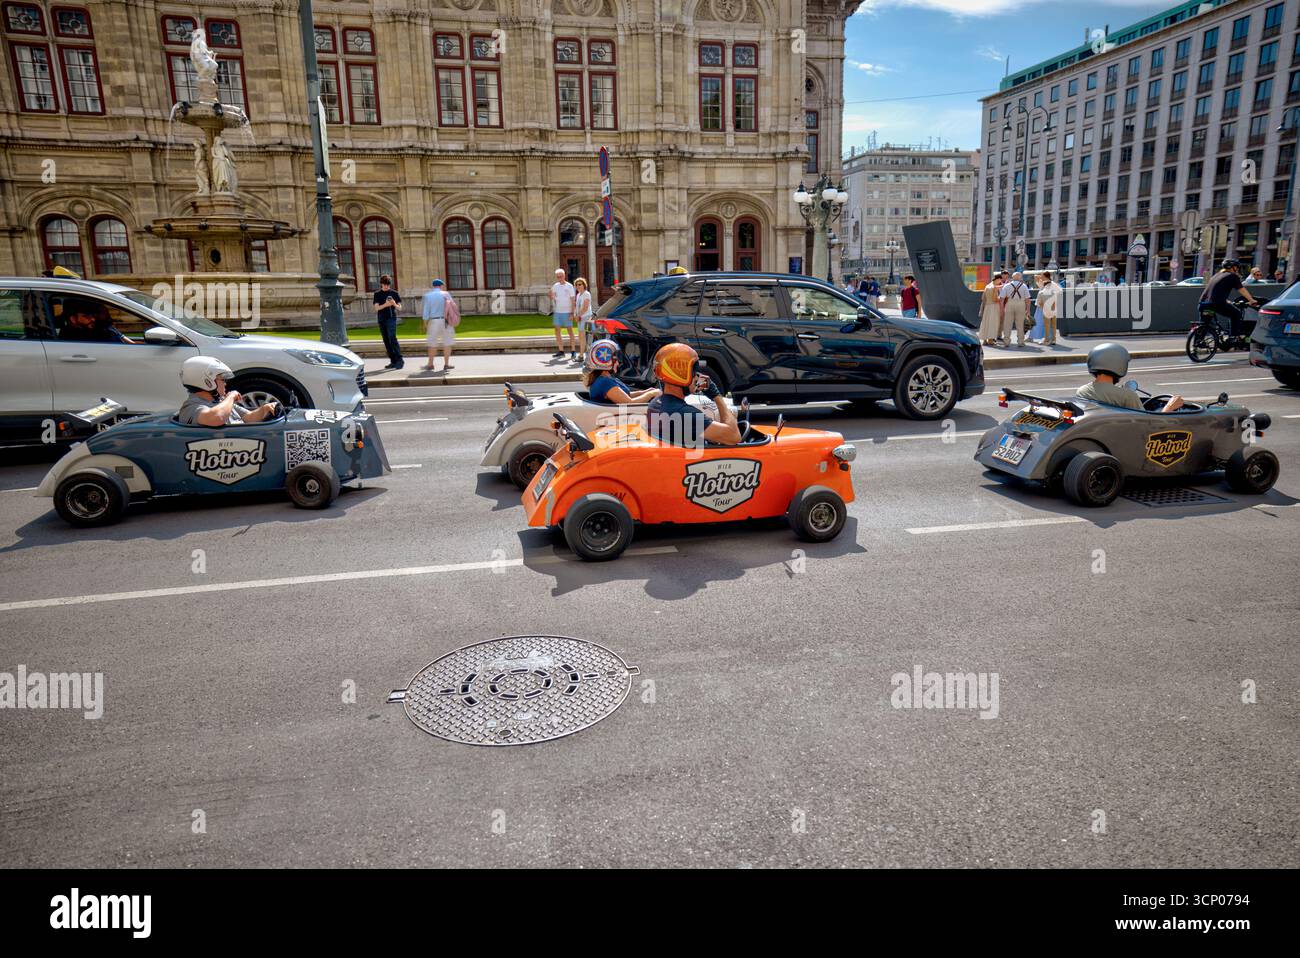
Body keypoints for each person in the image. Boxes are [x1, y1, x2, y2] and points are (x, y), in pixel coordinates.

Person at [646, 343, 741, 447]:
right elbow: (733, 436)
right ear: (680, 375)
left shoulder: (655, 404)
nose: (698, 377)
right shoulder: (684, 413)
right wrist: (717, 396)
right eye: (694, 373)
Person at [1076, 342, 1182, 413]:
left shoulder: (1082, 391)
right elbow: (1149, 425)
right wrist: (1170, 407)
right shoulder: (1127, 396)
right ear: (1118, 365)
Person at [176, 356, 278, 426]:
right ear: (207, 381)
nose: (225, 383)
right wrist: (230, 397)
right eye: (222, 379)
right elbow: (217, 418)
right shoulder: (191, 407)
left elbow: (249, 417)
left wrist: (265, 409)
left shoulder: (221, 402)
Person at [583, 339, 660, 404]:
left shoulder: (605, 378)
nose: (618, 362)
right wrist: (651, 394)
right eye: (615, 359)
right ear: (605, 362)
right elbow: (628, 403)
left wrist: (646, 391)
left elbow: (627, 394)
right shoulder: (604, 382)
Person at [1200, 259, 1260, 339]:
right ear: (1233, 267)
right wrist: (1251, 300)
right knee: (1236, 314)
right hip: (1217, 303)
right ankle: (1233, 337)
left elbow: (1214, 291)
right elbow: (1241, 289)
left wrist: (1225, 300)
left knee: (1204, 324)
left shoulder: (1216, 275)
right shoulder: (1232, 276)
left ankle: (1197, 343)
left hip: (1203, 303)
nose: (1237, 269)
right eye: (1237, 267)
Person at [56, 302, 133, 344]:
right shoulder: (72, 336)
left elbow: (130, 343)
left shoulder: (98, 330)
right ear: (73, 319)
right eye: (87, 316)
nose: (93, 319)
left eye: (93, 315)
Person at [422, 278, 454, 372]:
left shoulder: (428, 296)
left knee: (432, 343)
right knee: (447, 342)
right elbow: (452, 307)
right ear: (441, 286)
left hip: (433, 321)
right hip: (446, 321)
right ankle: (446, 364)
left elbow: (426, 312)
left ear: (433, 286)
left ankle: (430, 364)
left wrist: (425, 324)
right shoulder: (446, 294)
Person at [372, 274, 403, 370]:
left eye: (388, 284)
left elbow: (400, 308)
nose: (386, 286)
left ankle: (399, 360)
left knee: (392, 337)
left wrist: (393, 304)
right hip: (381, 319)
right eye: (385, 284)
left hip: (391, 318)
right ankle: (393, 361)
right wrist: (386, 304)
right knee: (386, 340)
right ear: (381, 284)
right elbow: (377, 308)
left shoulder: (394, 293)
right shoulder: (377, 294)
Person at [550, 268, 578, 361]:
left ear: (564, 276)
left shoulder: (569, 286)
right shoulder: (555, 286)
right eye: (558, 277)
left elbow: (573, 300)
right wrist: (551, 295)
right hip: (558, 312)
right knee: (557, 331)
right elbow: (552, 296)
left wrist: (572, 313)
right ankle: (561, 351)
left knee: (570, 331)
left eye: (561, 276)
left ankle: (573, 351)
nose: (559, 278)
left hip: (567, 312)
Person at [997, 270, 1031, 347]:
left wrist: (1002, 309)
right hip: (1020, 304)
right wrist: (1028, 310)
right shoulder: (1024, 286)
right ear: (1020, 278)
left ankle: (1006, 341)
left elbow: (1001, 299)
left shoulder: (1007, 286)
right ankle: (1020, 341)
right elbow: (1027, 300)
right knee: (1020, 324)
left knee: (1007, 324)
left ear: (1012, 277)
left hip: (1010, 303)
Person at [1037, 270, 1062, 347]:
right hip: (1053, 307)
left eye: (1042, 275)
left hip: (1046, 307)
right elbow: (1059, 292)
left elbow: (1039, 300)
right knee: (1053, 325)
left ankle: (1047, 339)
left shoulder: (1049, 284)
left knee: (1047, 325)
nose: (1041, 276)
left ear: (1045, 276)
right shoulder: (1052, 284)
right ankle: (1053, 339)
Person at [573, 277, 594, 364]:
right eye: (576, 285)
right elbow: (577, 307)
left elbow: (585, 307)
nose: (578, 286)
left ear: (584, 285)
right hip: (580, 318)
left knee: (584, 337)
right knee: (582, 337)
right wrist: (575, 315)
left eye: (580, 284)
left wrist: (578, 316)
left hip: (585, 317)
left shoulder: (586, 294)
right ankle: (583, 355)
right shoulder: (578, 295)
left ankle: (582, 356)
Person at [978, 274, 1003, 346]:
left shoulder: (987, 286)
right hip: (994, 307)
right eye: (1000, 280)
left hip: (987, 307)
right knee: (993, 323)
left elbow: (983, 298)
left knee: (986, 323)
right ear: (998, 279)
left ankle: (985, 340)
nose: (1000, 282)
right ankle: (990, 340)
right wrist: (1001, 299)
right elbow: (995, 299)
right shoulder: (994, 287)